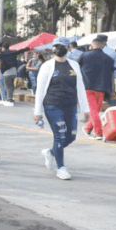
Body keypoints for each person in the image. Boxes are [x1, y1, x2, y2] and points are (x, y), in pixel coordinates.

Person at [33, 42, 89, 181]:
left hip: (70, 105)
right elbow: (40, 90)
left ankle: (51, 152)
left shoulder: (74, 65)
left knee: (71, 136)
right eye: (57, 47)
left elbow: (80, 87)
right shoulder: (47, 66)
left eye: (62, 46)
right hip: (52, 105)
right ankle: (61, 168)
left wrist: (85, 108)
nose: (60, 49)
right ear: (52, 51)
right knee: (60, 135)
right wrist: (37, 111)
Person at [79, 35, 116, 140]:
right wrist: (113, 91)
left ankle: (98, 132)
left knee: (93, 111)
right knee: (95, 110)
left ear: (92, 44)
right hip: (102, 88)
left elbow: (77, 70)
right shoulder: (109, 59)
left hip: (88, 87)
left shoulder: (84, 56)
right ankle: (87, 128)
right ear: (103, 45)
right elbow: (112, 76)